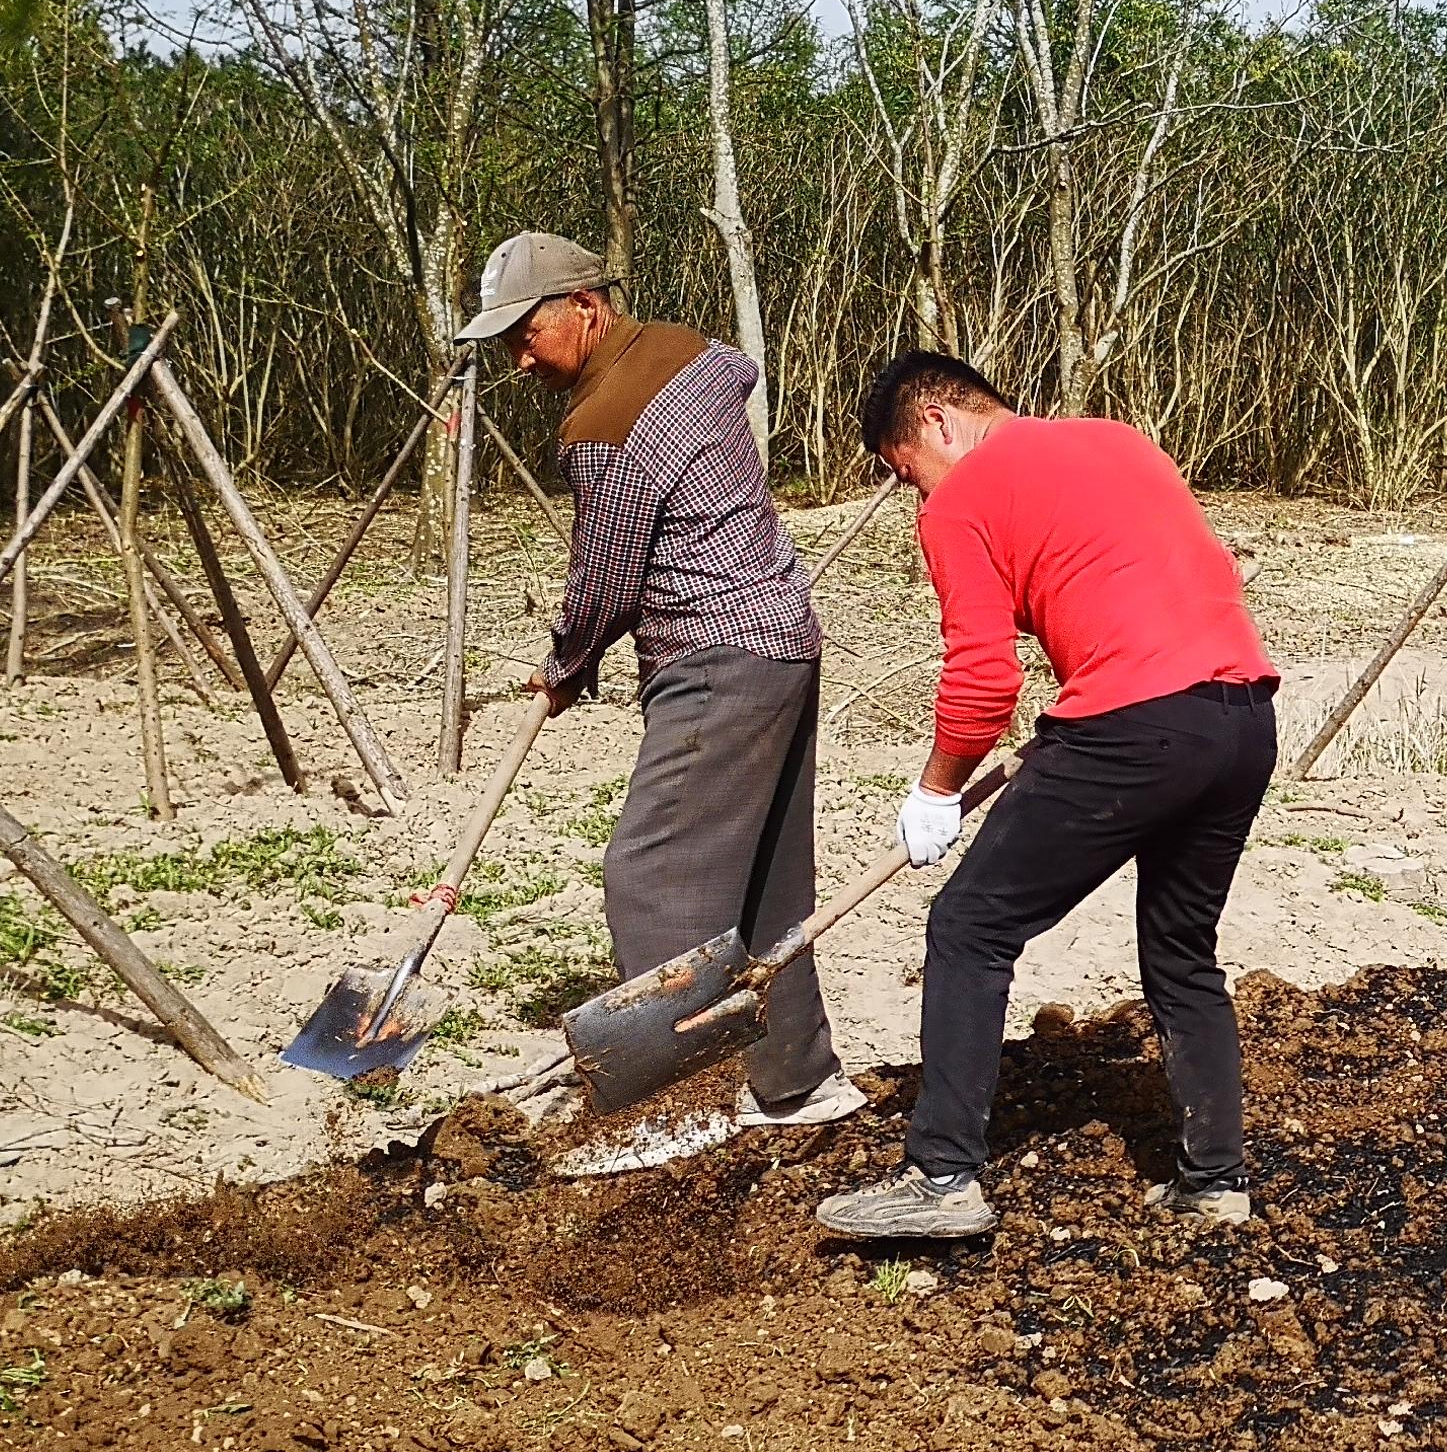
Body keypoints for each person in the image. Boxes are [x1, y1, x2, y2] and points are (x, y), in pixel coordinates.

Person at [813, 352, 1280, 1243]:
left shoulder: (961, 499)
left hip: (1133, 727)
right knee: (1183, 953)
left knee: (970, 927)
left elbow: (985, 677)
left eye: (905, 470)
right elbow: (1172, 578)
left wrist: (936, 790)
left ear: (941, 423)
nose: (916, 497)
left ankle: (942, 1175)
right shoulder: (1121, 443)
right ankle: (1214, 1179)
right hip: (1241, 719)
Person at [454, 229, 860, 1133]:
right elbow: (736, 378)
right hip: (786, 640)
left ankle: (686, 1110)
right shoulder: (698, 359)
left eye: (526, 333)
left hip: (713, 656)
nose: (519, 360)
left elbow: (605, 577)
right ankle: (800, 1084)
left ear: (587, 309)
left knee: (653, 873)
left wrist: (566, 664)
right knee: (764, 883)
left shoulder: (603, 425)